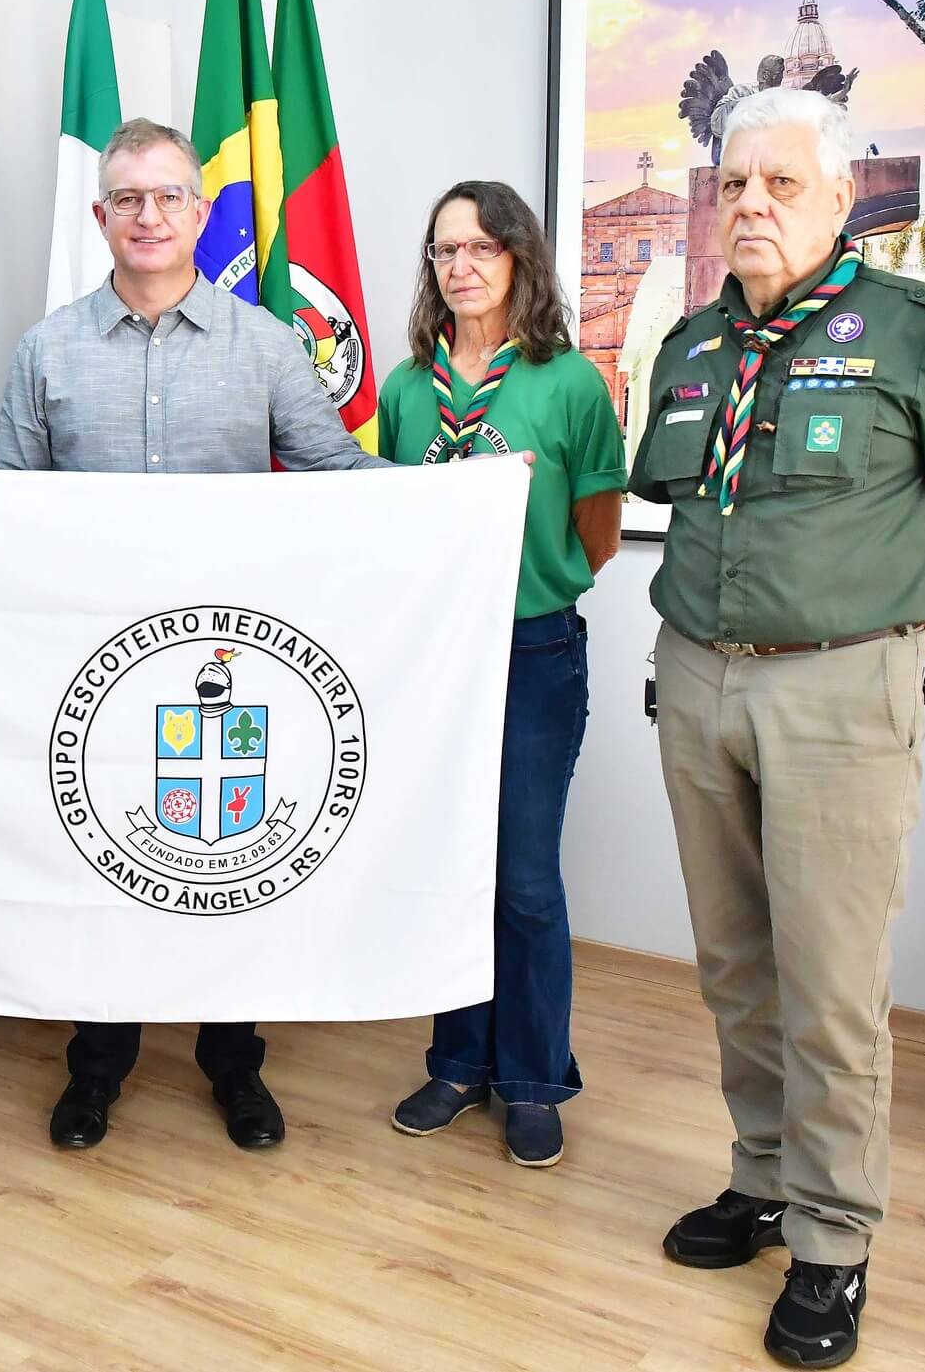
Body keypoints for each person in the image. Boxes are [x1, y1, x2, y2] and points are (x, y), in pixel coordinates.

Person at [630, 89, 925, 1367]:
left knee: (832, 987)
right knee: (733, 964)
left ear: (841, 196)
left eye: (780, 183)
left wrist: (885, 669)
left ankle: (833, 1239)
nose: (749, 204)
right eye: (733, 182)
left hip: (840, 692)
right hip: (694, 680)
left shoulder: (923, 330)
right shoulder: (692, 343)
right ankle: (761, 1177)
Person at [0, 117, 395, 1152]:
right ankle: (97, 1065)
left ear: (201, 211)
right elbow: (7, 511)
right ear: (100, 216)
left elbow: (338, 475)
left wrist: (462, 495)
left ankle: (234, 1063)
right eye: (127, 198)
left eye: (168, 195)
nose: (148, 215)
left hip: (231, 653)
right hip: (96, 665)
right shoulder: (46, 350)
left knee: (222, 861)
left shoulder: (264, 344)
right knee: (105, 855)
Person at [376, 181, 623, 1168]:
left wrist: (526, 583)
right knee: (450, 865)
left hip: (531, 652)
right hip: (432, 657)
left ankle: (532, 1077)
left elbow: (596, 534)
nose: (462, 265)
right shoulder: (406, 389)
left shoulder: (568, 383)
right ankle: (457, 1064)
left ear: (520, 258)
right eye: (445, 250)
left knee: (522, 879)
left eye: (483, 246)